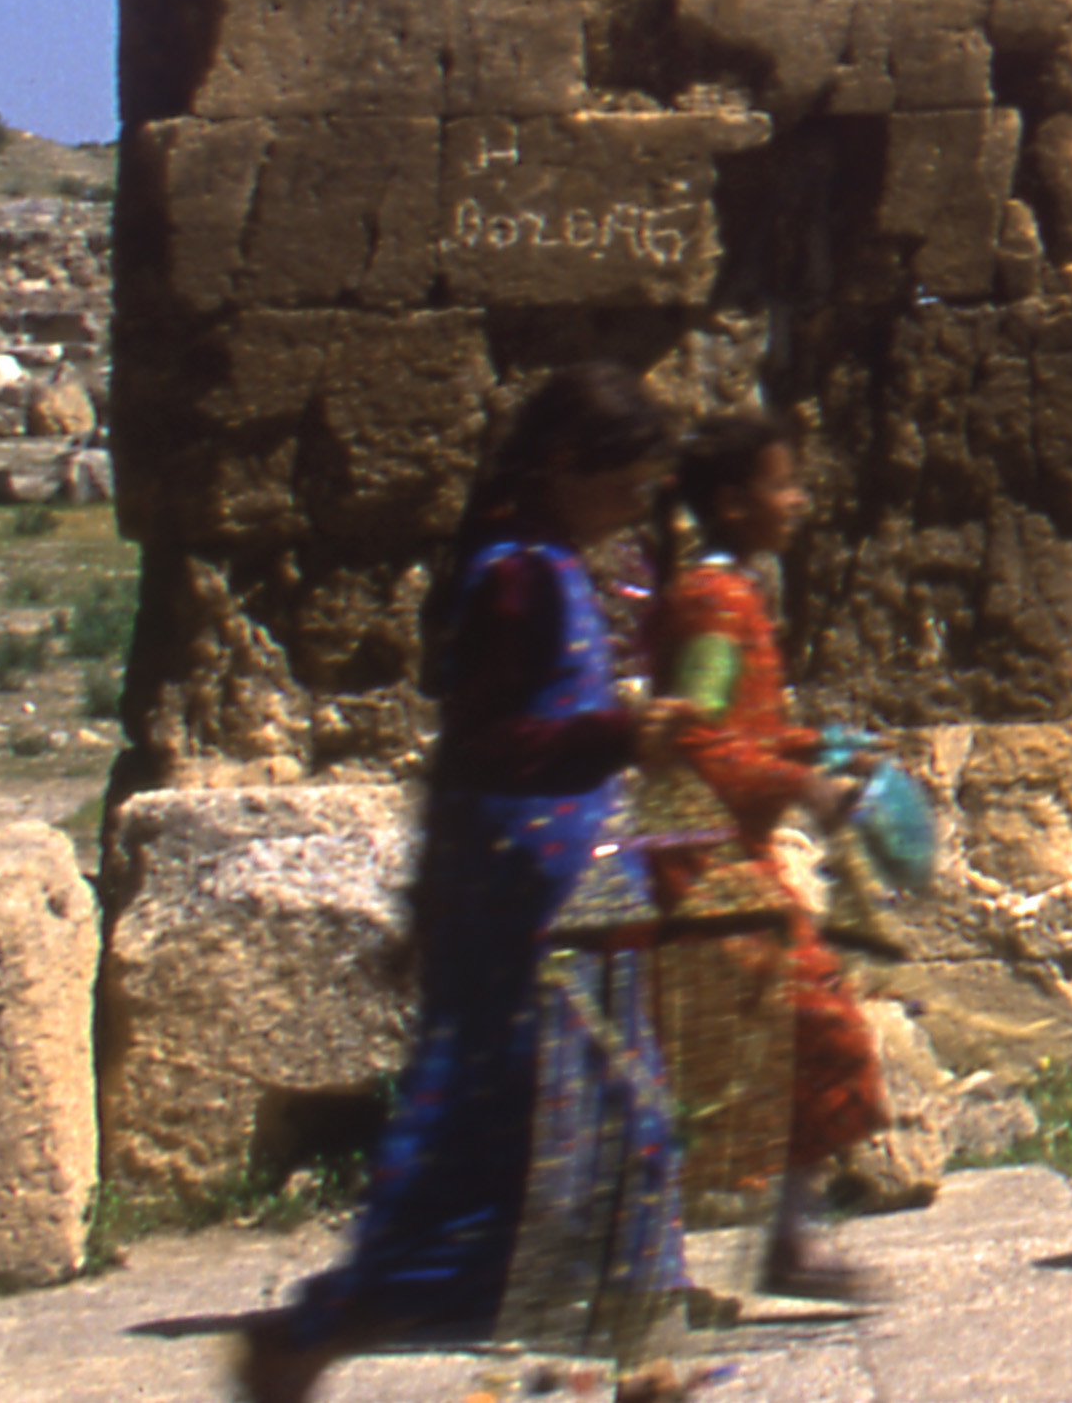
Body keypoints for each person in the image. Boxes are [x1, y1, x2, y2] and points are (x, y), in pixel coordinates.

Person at [240, 362, 690, 1400]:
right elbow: (492, 740)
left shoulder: (551, 568)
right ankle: (619, 1343)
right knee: (598, 1112)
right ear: (570, 466)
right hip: (531, 895)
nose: (638, 508)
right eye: (626, 484)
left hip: (562, 887)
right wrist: (624, 731)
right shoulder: (517, 577)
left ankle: (614, 1347)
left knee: (538, 1124)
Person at [646, 409, 893, 1309]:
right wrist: (803, 786)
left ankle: (779, 1234)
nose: (797, 501)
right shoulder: (714, 606)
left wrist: (820, 744)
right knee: (807, 1030)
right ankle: (775, 1239)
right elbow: (698, 742)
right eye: (782, 484)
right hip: (701, 868)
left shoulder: (730, 596)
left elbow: (735, 725)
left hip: (721, 864)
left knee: (762, 1043)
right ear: (731, 501)